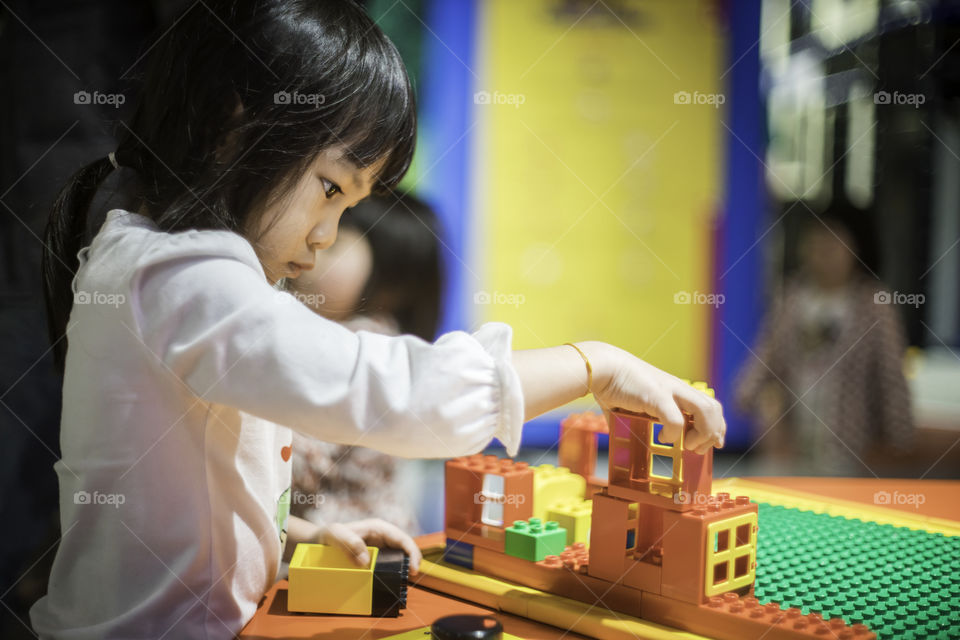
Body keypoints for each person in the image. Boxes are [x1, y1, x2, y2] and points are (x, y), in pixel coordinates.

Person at [33, 1, 726, 638]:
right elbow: (387, 391)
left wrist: (291, 536)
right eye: (329, 189)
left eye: (347, 207)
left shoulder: (161, 262)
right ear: (230, 127)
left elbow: (186, 481)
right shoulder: (182, 276)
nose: (326, 236)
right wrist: (593, 364)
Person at [287, 193, 444, 534]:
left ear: (391, 280)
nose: (311, 252)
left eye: (334, 245)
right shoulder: (364, 336)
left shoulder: (363, 342)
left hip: (351, 549)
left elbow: (298, 464)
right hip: (360, 537)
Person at [735, 211, 912, 475]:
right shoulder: (792, 296)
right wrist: (755, 401)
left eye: (832, 244)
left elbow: (890, 376)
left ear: (855, 248)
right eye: (815, 243)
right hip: (790, 446)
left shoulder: (875, 303)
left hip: (850, 450)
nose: (821, 252)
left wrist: (897, 439)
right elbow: (765, 360)